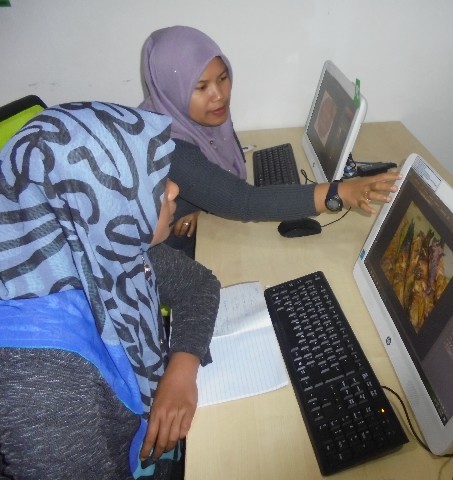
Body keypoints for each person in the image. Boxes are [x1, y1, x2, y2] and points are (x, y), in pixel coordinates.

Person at [0, 101, 220, 479]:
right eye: (152, 181)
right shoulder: (43, 378)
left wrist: (181, 370)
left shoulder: (100, 243)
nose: (174, 189)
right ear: (101, 199)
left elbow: (199, 286)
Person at [139, 26, 401, 257]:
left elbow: (207, 178)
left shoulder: (183, 118)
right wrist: (339, 193)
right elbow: (243, 201)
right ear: (171, 90)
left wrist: (203, 199)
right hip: (165, 261)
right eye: (201, 87)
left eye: (222, 78)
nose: (219, 95)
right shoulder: (169, 146)